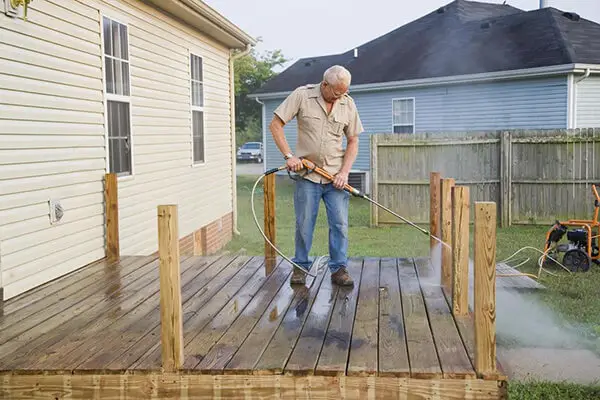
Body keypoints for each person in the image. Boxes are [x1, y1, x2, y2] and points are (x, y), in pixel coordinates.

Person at [268, 65, 364, 286]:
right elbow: (275, 125)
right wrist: (289, 156)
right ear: (325, 85)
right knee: (304, 224)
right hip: (307, 175)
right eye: (337, 92)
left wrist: (345, 172)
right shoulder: (302, 96)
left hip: (335, 178)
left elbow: (353, 141)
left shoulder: (347, 103)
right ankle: (300, 267)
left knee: (340, 224)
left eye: (344, 92)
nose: (341, 96)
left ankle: (339, 269)